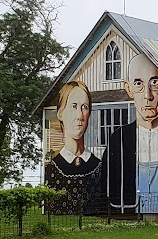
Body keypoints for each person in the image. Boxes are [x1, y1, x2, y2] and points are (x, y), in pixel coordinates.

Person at [102, 54, 158, 214]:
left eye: (154, 82)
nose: (148, 95)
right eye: (138, 84)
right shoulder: (118, 140)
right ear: (129, 89)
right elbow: (108, 184)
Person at [45, 81, 101, 215]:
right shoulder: (51, 170)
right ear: (60, 114)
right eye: (74, 106)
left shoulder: (99, 167)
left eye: (85, 107)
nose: (80, 116)